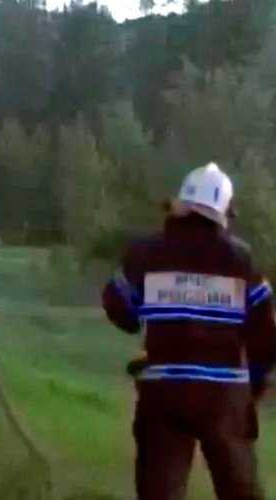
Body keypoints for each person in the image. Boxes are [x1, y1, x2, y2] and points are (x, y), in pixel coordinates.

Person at [102, 162, 276, 500]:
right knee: (240, 488)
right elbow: (266, 337)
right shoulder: (242, 260)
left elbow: (118, 304)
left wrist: (140, 322)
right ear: (224, 212)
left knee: (160, 490)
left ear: (181, 205)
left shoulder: (147, 252)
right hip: (224, 395)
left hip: (163, 389)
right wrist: (252, 388)